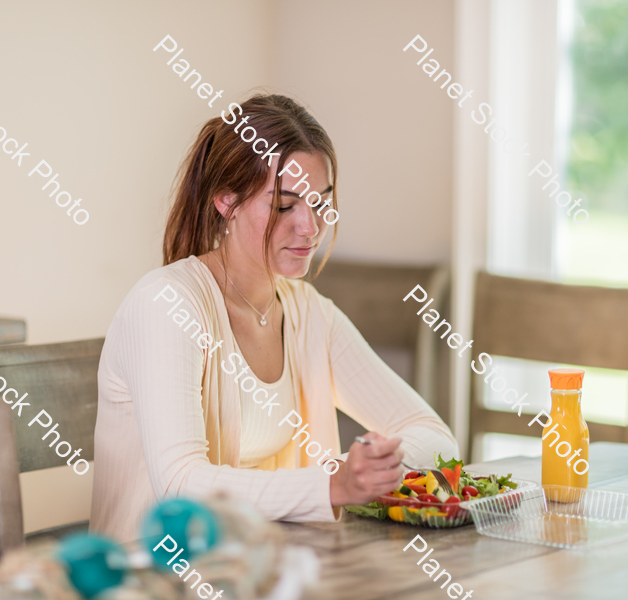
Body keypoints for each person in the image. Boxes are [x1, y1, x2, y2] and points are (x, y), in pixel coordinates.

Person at [90, 94, 458, 542]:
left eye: (320, 202)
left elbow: (435, 437)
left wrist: (369, 469)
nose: (310, 226)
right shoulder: (167, 305)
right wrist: (331, 484)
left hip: (261, 573)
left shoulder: (308, 314)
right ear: (227, 200)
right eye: (285, 205)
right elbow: (180, 485)